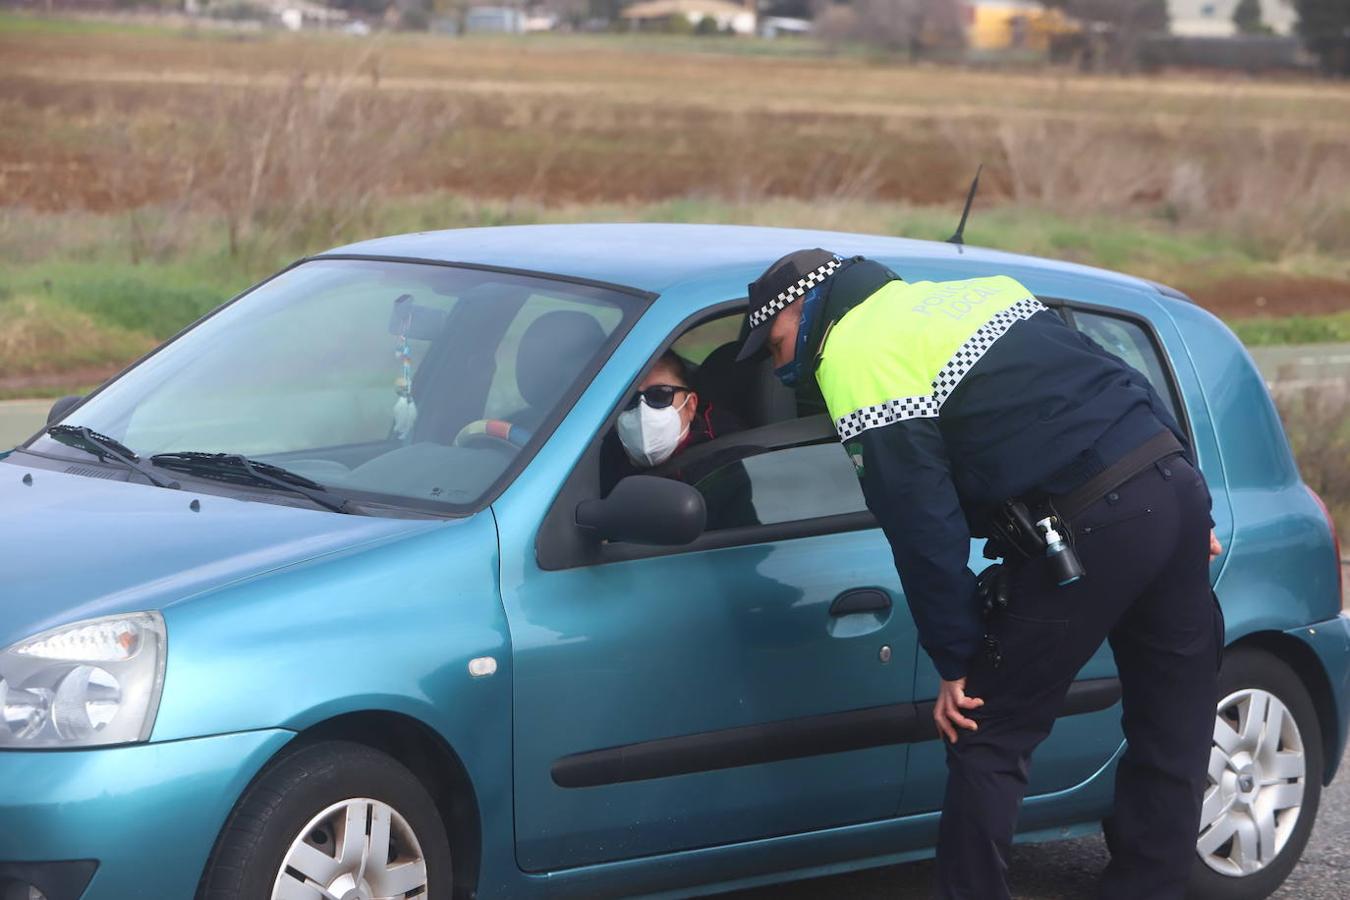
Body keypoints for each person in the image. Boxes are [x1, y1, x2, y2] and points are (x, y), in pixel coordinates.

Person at [735, 248, 1223, 900]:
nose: (779, 362)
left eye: (773, 344)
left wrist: (956, 656)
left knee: (985, 732)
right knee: (1173, 721)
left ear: (798, 308)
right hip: (1171, 488)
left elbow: (920, 525)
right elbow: (1118, 376)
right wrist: (1194, 503)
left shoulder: (856, 354)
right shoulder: (972, 294)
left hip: (1090, 522)